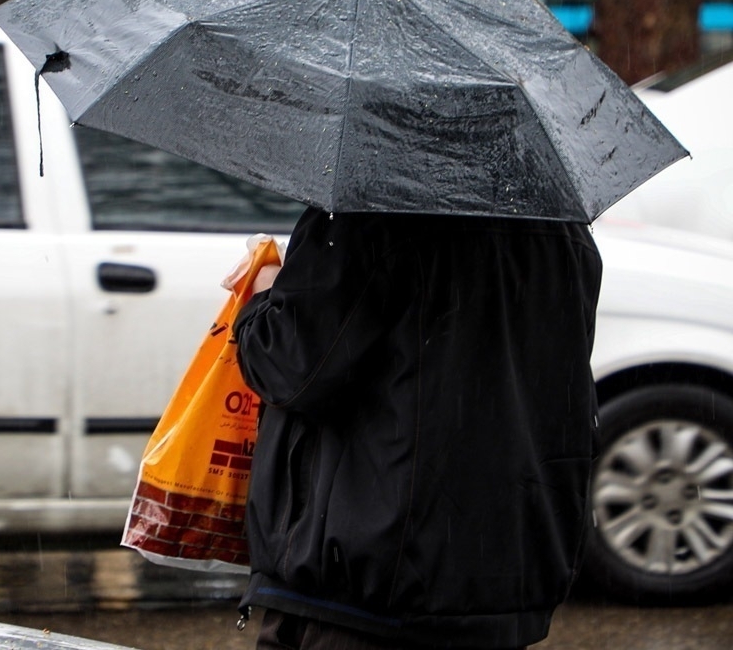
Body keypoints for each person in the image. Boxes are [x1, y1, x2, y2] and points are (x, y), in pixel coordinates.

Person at [234, 208, 602, 650]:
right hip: (501, 577)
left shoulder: (369, 215)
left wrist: (266, 288)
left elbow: (286, 366)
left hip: (369, 586)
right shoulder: (565, 234)